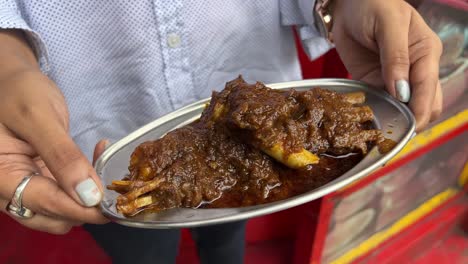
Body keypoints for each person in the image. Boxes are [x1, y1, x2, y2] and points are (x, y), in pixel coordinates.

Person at [0, 0, 442, 263]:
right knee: (138, 248)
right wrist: (7, 65)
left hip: (264, 115)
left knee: (229, 237)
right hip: (94, 133)